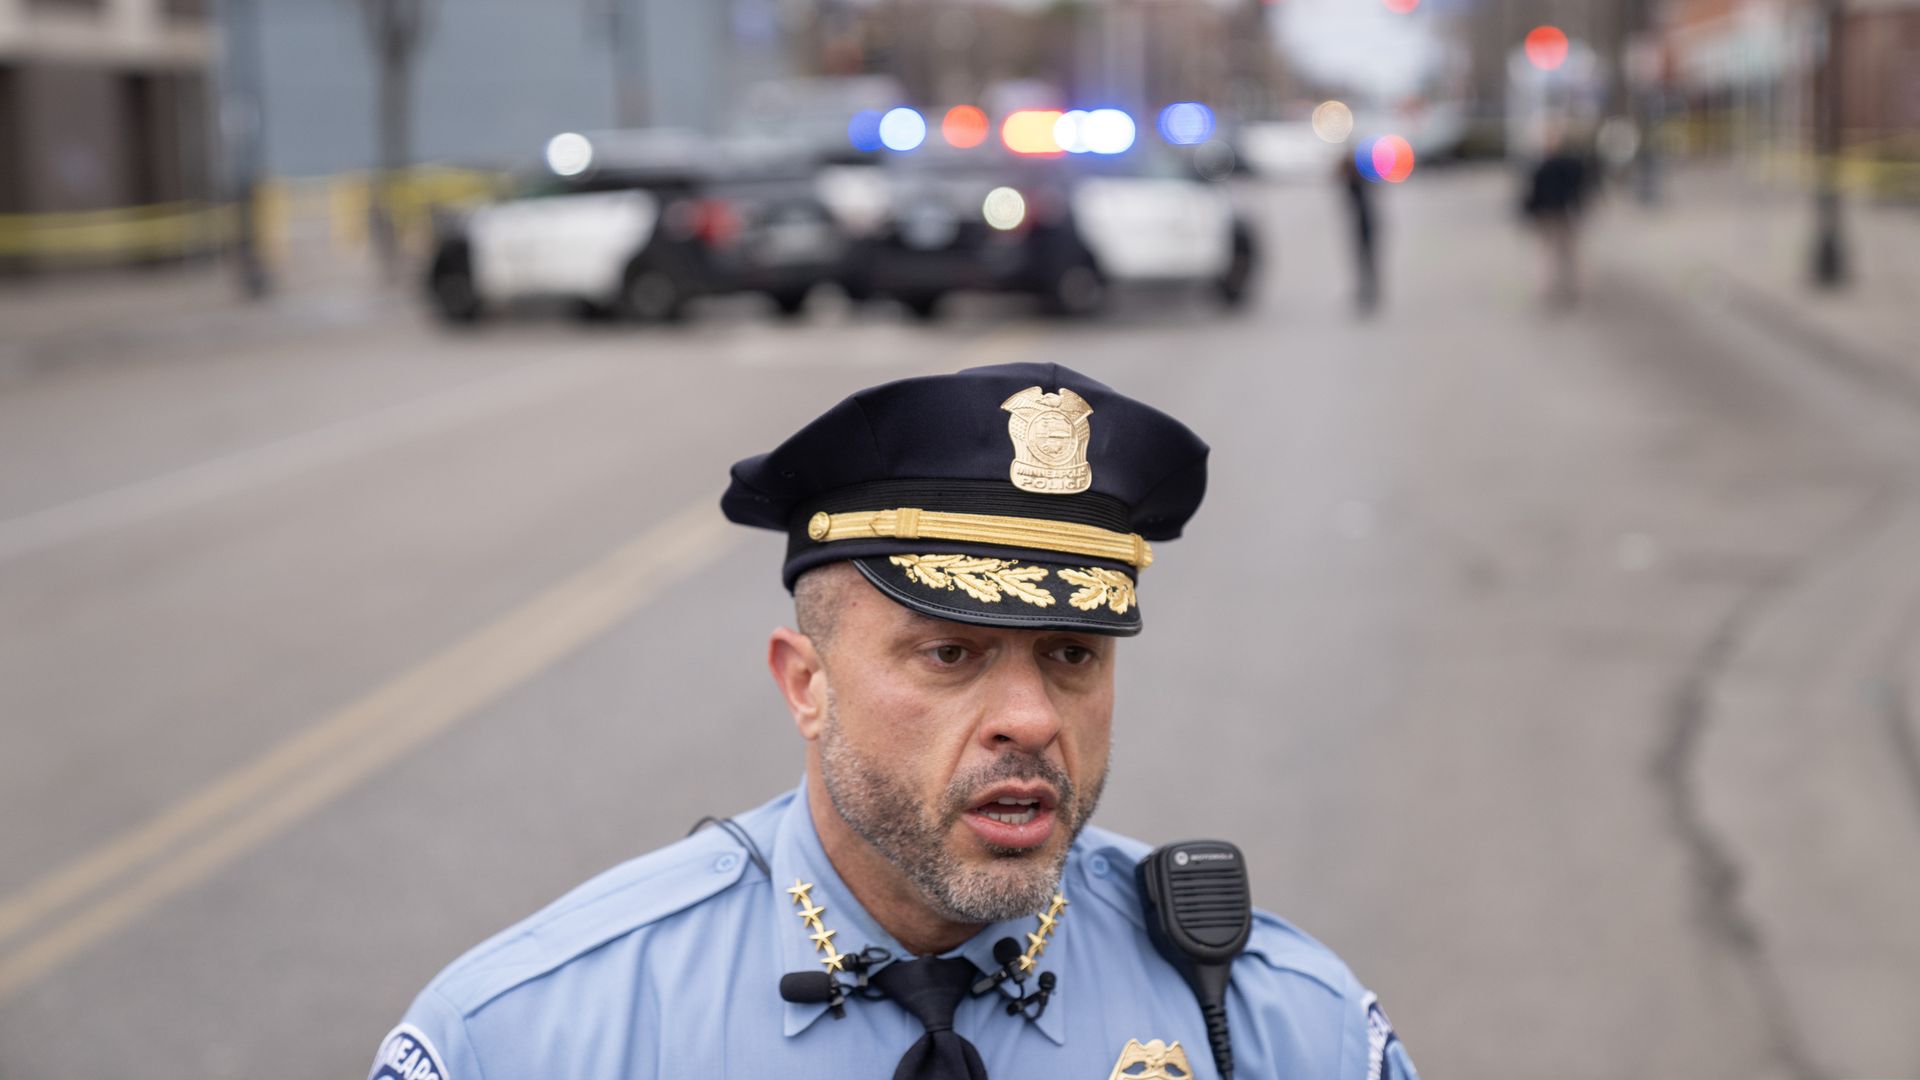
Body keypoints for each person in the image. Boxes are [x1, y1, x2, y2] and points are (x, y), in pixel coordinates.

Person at [367, 362, 1418, 1080]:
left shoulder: (1273, 1023)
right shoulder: (541, 1035)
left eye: (1072, 657)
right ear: (804, 683)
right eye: (950, 654)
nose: (1029, 720)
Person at [1521, 126, 1592, 307]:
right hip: (1558, 214)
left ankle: (1560, 288)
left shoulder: (1545, 164)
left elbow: (1533, 193)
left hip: (1556, 214)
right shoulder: (1570, 163)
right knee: (1561, 253)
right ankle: (1562, 288)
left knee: (1557, 252)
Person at [1340, 152, 1380, 314]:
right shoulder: (1359, 184)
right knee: (1365, 260)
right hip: (1362, 225)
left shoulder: (1357, 185)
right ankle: (1367, 289)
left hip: (1364, 226)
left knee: (1366, 260)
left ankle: (1369, 290)